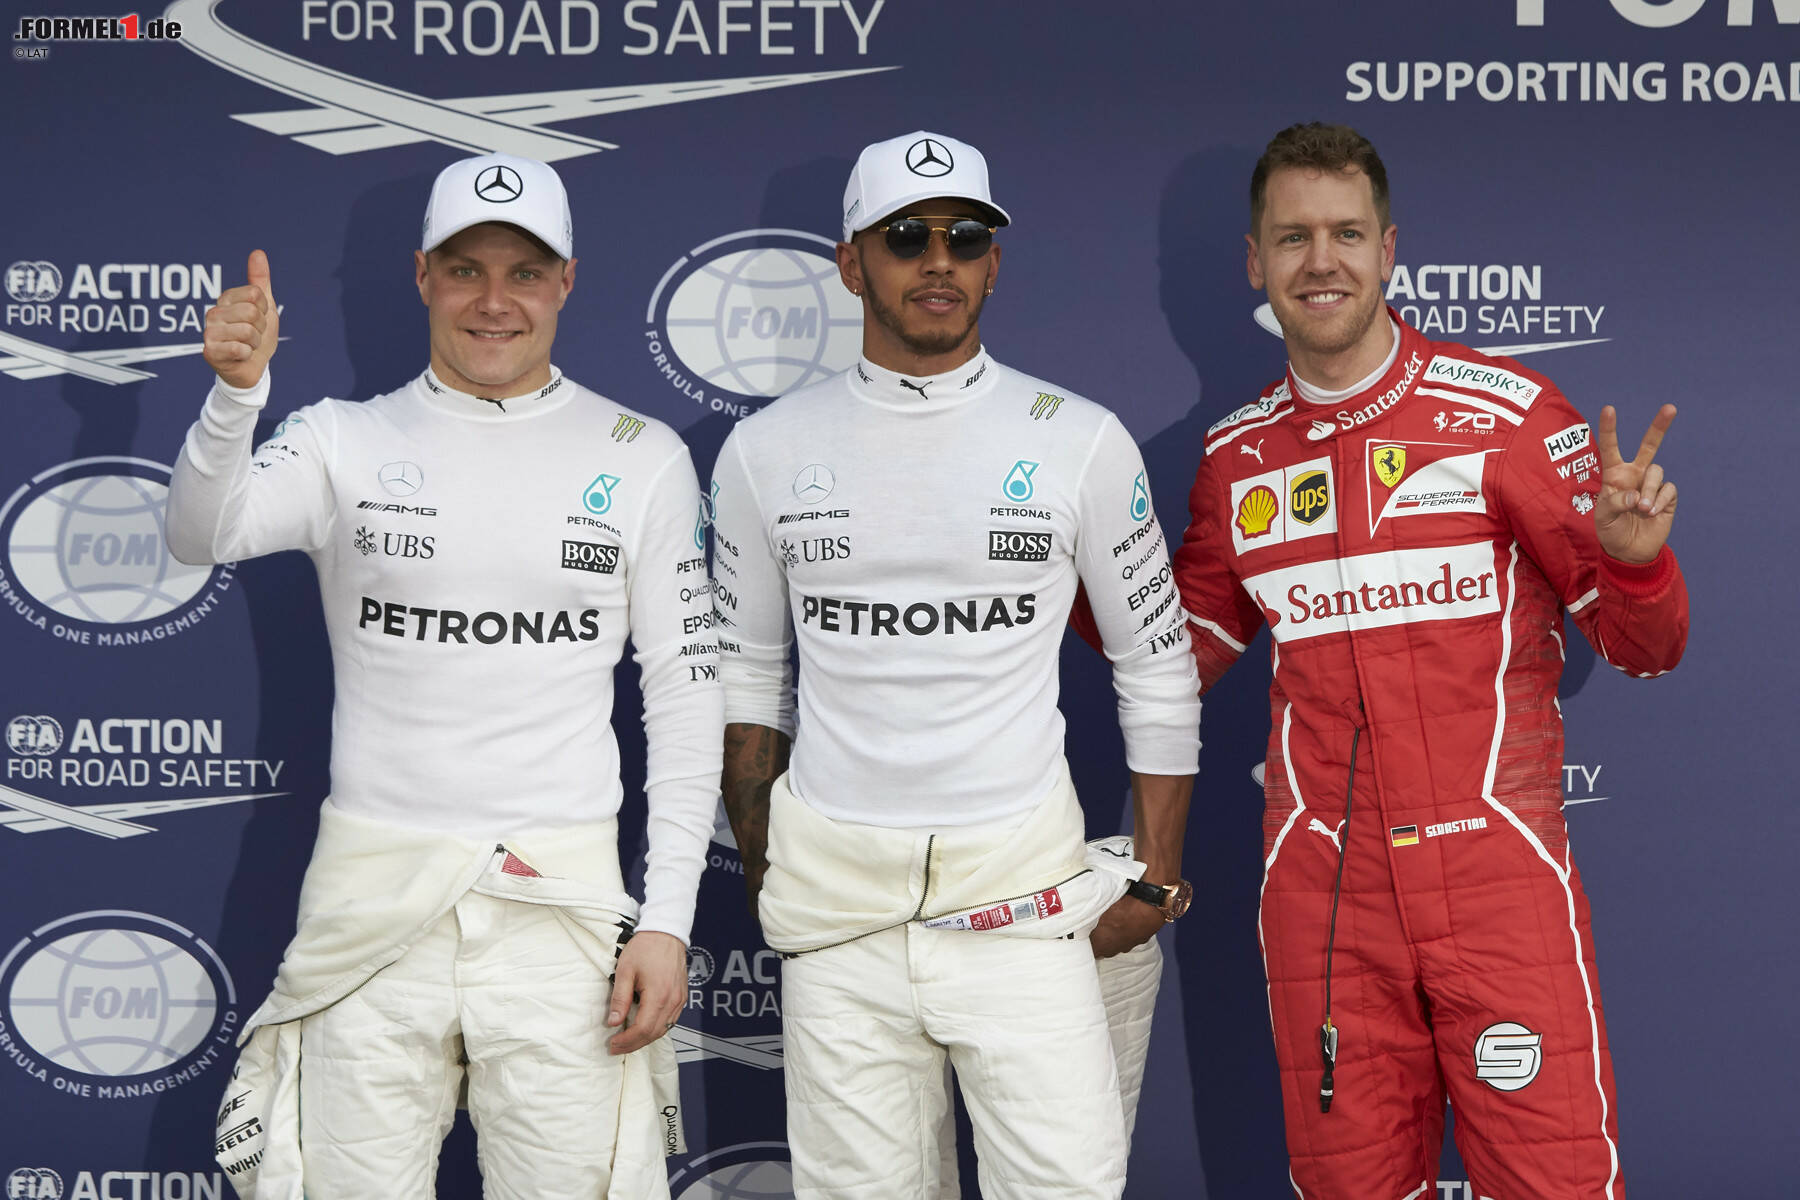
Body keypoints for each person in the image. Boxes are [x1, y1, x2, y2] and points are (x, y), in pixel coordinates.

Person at [167, 152, 720, 1200]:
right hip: (370, 908)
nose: (494, 301)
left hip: (562, 914)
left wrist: (666, 920)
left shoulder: (640, 454)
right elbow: (203, 534)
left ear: (566, 282)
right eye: (466, 269)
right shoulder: (342, 438)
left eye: (525, 272)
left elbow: (687, 698)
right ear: (422, 276)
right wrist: (236, 398)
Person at [1171, 122, 1688, 1199]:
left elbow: (1643, 649)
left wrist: (1635, 565)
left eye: (1347, 233)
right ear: (1255, 263)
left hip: (1497, 883)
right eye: (1294, 237)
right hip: (1325, 909)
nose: (1322, 261)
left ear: (1390, 250)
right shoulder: (1234, 460)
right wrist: (1042, 583)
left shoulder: (1507, 416)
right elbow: (1172, 659)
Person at [708, 130, 1201, 1200]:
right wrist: (766, 866)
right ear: (852, 264)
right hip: (840, 921)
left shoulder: (1078, 438)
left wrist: (1157, 879)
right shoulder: (764, 451)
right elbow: (746, 675)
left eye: (966, 238)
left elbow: (1158, 664)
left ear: (994, 262)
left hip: (1024, 905)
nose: (939, 260)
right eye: (907, 237)